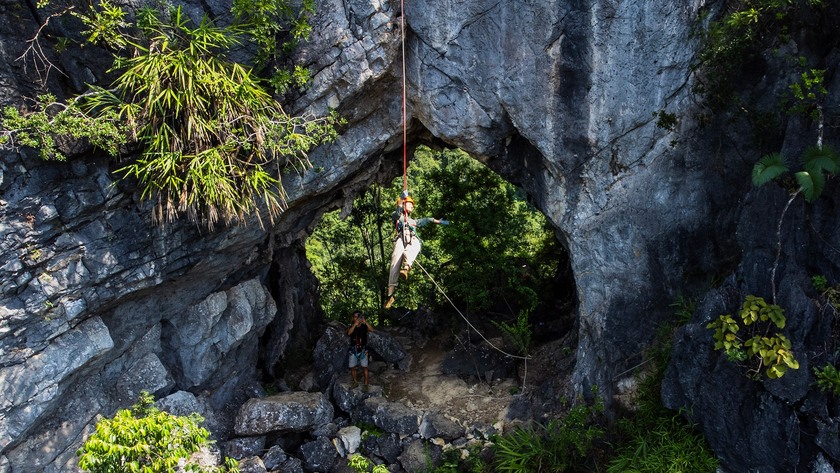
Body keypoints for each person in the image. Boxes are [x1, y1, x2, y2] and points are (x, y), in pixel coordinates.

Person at [384, 190, 449, 309]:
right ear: (403, 204)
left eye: (412, 205)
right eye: (409, 204)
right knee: (394, 264)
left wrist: (440, 221)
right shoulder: (398, 217)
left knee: (416, 246)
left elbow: (427, 220)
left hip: (411, 239)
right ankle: (390, 295)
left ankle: (407, 267)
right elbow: (395, 215)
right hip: (400, 239)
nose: (412, 206)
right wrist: (400, 200)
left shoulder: (414, 221)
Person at [347, 310, 374, 390]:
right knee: (353, 367)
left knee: (364, 367)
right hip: (353, 349)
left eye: (358, 317)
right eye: (355, 317)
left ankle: (366, 384)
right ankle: (355, 381)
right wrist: (355, 325)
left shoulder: (364, 326)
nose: (356, 318)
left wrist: (365, 322)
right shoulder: (351, 326)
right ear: (353, 318)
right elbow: (349, 333)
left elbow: (372, 330)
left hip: (363, 349)